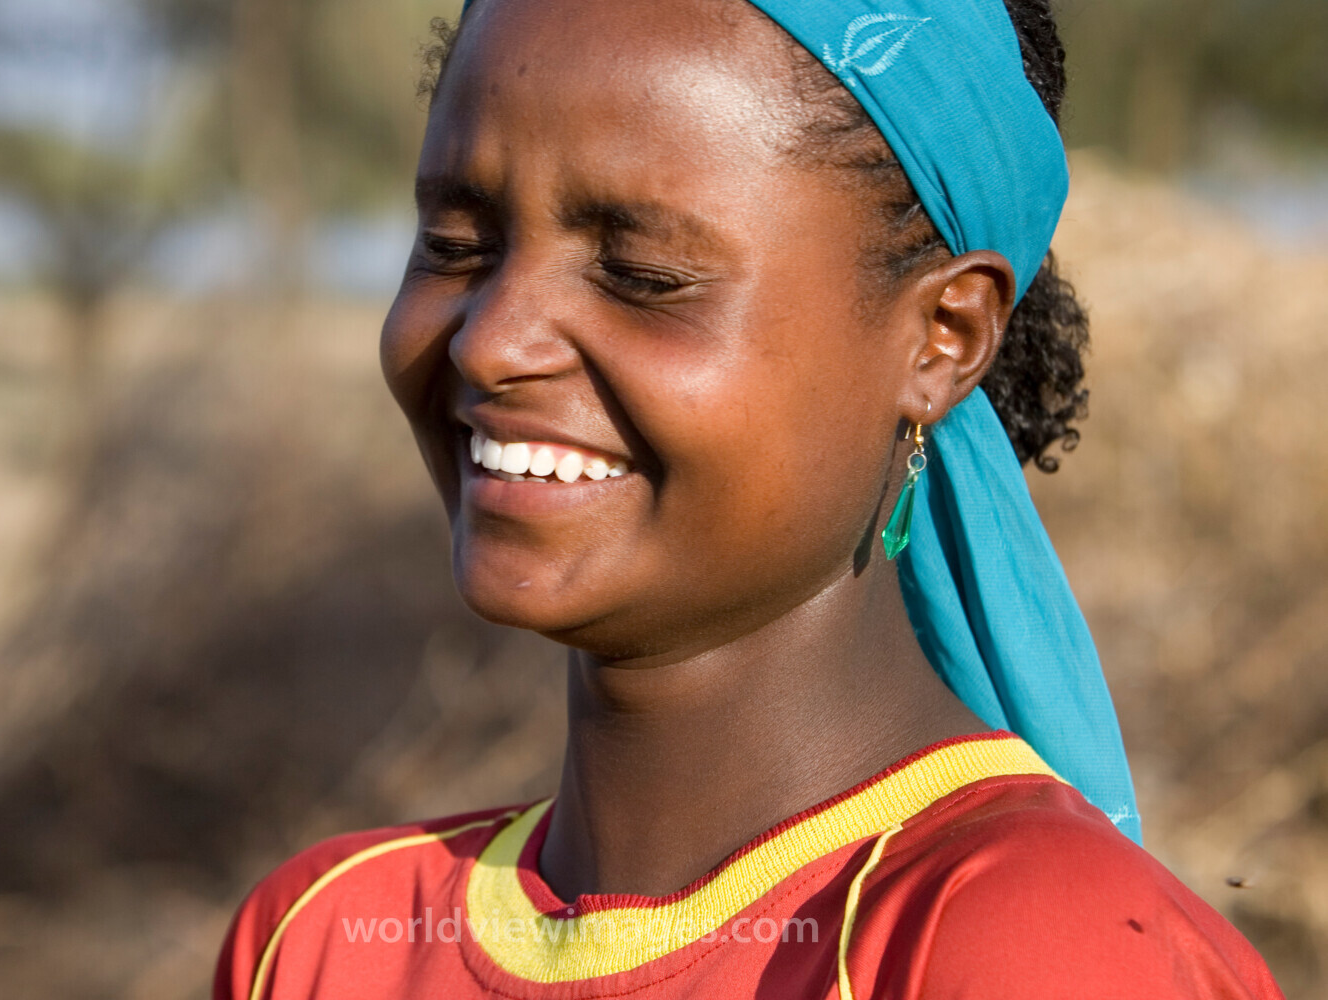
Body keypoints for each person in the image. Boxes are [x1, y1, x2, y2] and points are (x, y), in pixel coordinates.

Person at [214, 0, 1286, 996]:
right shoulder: (319, 940)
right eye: (457, 247)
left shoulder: (1032, 947)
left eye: (642, 273)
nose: (491, 340)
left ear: (942, 338)